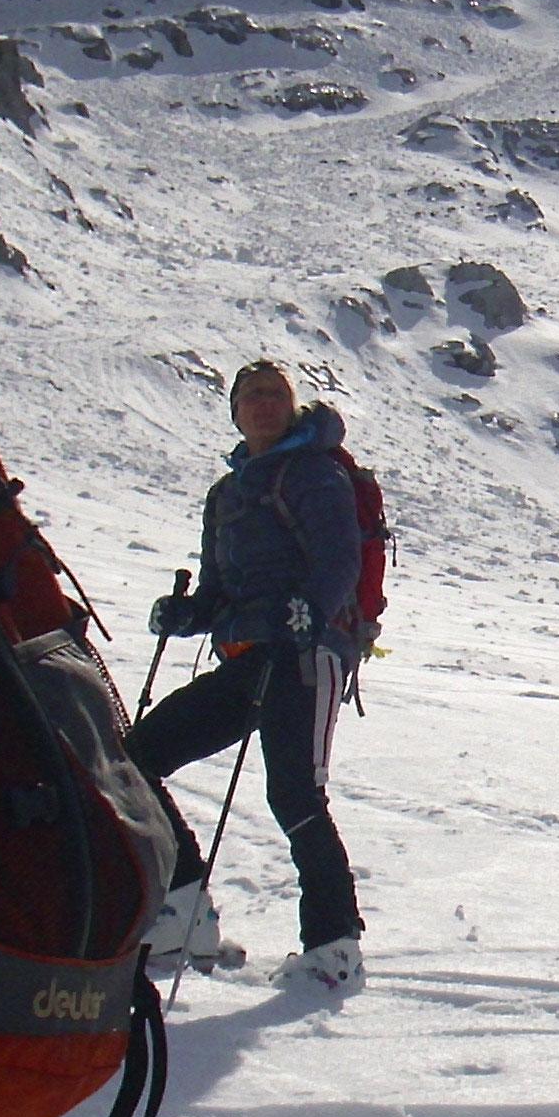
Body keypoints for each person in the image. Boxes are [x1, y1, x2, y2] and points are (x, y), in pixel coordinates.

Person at [134, 359, 369, 1001]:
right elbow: (218, 590)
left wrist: (309, 612)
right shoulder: (227, 494)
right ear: (235, 412)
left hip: (306, 656)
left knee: (295, 796)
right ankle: (183, 906)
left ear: (291, 407)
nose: (264, 404)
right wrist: (188, 615)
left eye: (276, 395)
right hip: (247, 657)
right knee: (138, 757)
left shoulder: (315, 473)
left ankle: (334, 949)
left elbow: (341, 559)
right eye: (252, 396)